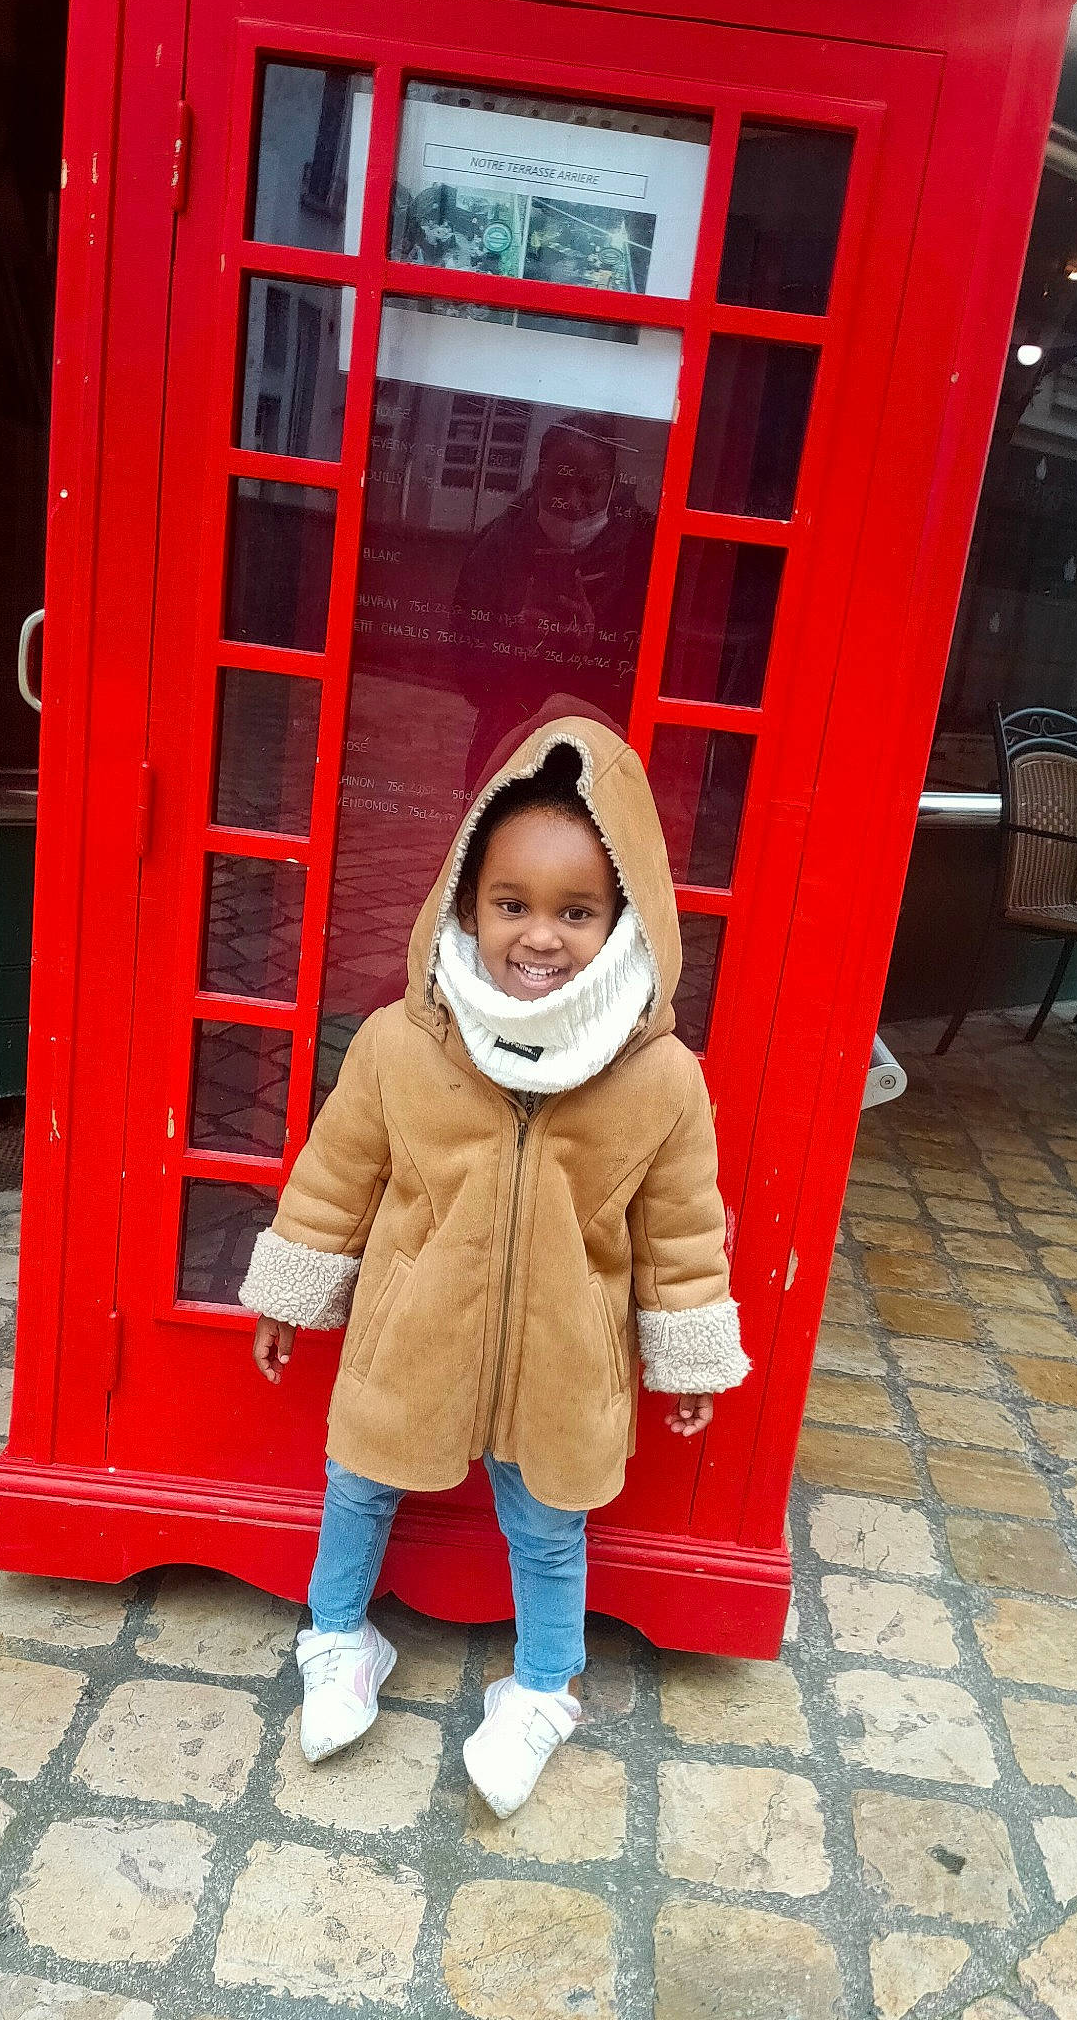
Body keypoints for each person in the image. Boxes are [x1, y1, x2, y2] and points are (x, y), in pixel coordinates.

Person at [238, 716, 747, 1817]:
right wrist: (292, 1289)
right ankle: (338, 1638)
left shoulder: (662, 1077)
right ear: (466, 905)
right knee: (357, 1480)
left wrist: (690, 1356)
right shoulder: (400, 1041)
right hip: (412, 1327)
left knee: (549, 1525)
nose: (541, 936)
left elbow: (683, 1230)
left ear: (625, 918)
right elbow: (336, 1175)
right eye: (512, 903)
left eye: (578, 910)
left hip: (565, 1356)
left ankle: (546, 1688)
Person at [451, 415, 656, 793]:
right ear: (537, 481)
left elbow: (654, 682)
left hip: (603, 754)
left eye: (589, 487)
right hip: (509, 746)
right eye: (559, 484)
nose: (572, 503)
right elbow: (466, 671)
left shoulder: (645, 554)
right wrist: (515, 644)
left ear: (612, 487)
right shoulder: (497, 546)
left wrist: (595, 650)